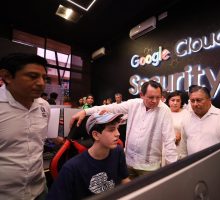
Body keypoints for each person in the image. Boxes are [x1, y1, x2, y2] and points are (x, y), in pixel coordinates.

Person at [71, 80, 177, 179]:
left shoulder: (165, 110)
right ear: (141, 95)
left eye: (158, 97)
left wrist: (172, 170)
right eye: (151, 97)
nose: (155, 101)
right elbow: (111, 107)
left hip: (149, 167)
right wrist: (85, 112)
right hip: (128, 162)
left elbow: (169, 141)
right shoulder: (134, 104)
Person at [46, 112, 130, 200]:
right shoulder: (72, 168)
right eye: (112, 130)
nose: (118, 134)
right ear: (96, 135)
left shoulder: (118, 152)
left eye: (118, 128)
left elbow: (125, 179)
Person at [0, 53, 49, 199]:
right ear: (7, 76)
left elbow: (38, 145)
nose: (41, 83)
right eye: (33, 76)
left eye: (44, 78)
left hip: (39, 189)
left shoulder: (44, 106)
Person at [180, 86, 220, 156]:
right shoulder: (186, 119)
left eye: (199, 100)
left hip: (219, 165)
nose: (195, 104)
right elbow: (183, 148)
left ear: (209, 100)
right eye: (192, 101)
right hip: (193, 165)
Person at [166, 91, 189, 159]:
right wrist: (172, 137)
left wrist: (181, 134)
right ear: (168, 101)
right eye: (173, 100)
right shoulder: (164, 113)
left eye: (178, 100)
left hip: (181, 147)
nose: (175, 103)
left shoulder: (186, 113)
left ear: (181, 102)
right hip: (166, 148)